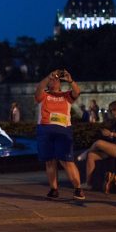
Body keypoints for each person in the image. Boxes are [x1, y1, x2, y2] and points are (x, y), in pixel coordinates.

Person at [35, 69, 85, 200]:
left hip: (63, 131)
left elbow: (77, 92)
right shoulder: (44, 95)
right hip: (45, 130)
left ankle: (78, 188)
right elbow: (39, 88)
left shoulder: (66, 96)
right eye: (52, 79)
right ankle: (54, 189)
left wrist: (71, 81)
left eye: (56, 79)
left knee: (67, 161)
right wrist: (47, 76)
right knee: (49, 161)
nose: (54, 80)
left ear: (60, 83)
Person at [77, 100, 116, 190]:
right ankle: (88, 183)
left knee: (98, 143)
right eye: (111, 110)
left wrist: (111, 134)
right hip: (115, 146)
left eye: (114, 110)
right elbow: (115, 135)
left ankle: (86, 152)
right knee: (91, 156)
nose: (113, 112)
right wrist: (109, 135)